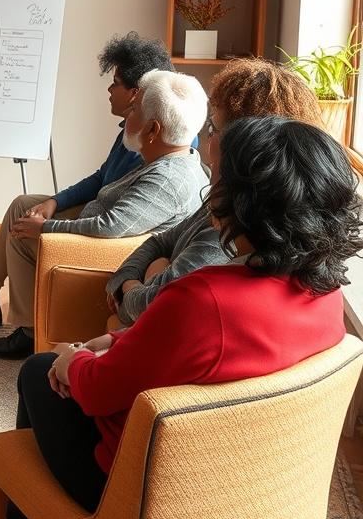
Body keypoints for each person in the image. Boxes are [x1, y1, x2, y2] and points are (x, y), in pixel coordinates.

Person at [11, 115, 359, 517]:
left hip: (141, 485)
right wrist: (115, 340)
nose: (211, 191)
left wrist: (71, 358)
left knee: (39, 370)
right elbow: (195, 352)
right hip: (234, 479)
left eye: (218, 180)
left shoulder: (203, 298)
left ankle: (31, 509)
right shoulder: (325, 292)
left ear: (245, 200)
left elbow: (96, 392)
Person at [0, 33, 177, 351]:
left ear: (136, 93)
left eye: (115, 82)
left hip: (107, 227)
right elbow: (102, 178)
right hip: (100, 209)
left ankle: (30, 332)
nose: (108, 88)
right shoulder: (132, 129)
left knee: (23, 231)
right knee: (24, 205)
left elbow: (116, 222)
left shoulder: (154, 144)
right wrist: (54, 202)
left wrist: (46, 226)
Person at [105, 58, 324, 325]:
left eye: (213, 128)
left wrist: (129, 286)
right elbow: (159, 242)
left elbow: (156, 308)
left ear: (246, 145)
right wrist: (133, 276)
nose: (206, 140)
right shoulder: (221, 200)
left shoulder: (231, 229)